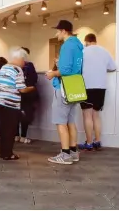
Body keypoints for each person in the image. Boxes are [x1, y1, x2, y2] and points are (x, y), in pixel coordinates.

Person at [45, 20, 83, 165]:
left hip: (64, 87)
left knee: (61, 122)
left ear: (63, 31)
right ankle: (73, 152)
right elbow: (75, 68)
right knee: (71, 121)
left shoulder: (67, 46)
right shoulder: (78, 46)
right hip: (75, 87)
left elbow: (65, 70)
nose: (56, 34)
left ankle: (65, 154)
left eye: (57, 31)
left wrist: (52, 73)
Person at [0, 48, 35, 160]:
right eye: (24, 60)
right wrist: (31, 88)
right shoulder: (17, 70)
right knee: (10, 129)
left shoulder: (4, 67)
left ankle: (2, 152)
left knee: (2, 128)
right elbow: (22, 89)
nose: (24, 62)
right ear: (20, 58)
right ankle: (8, 154)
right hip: (9, 103)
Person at [78, 33, 116, 151]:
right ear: (95, 40)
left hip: (86, 86)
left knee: (87, 115)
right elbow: (113, 67)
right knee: (96, 115)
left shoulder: (83, 52)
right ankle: (97, 141)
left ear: (86, 41)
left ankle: (89, 142)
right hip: (100, 87)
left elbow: (77, 68)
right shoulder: (104, 51)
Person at [15, 47, 38, 144]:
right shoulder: (29, 65)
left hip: (15, 94)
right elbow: (34, 79)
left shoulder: (14, 66)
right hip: (27, 94)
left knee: (15, 114)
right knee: (25, 114)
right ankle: (23, 137)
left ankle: (15, 136)